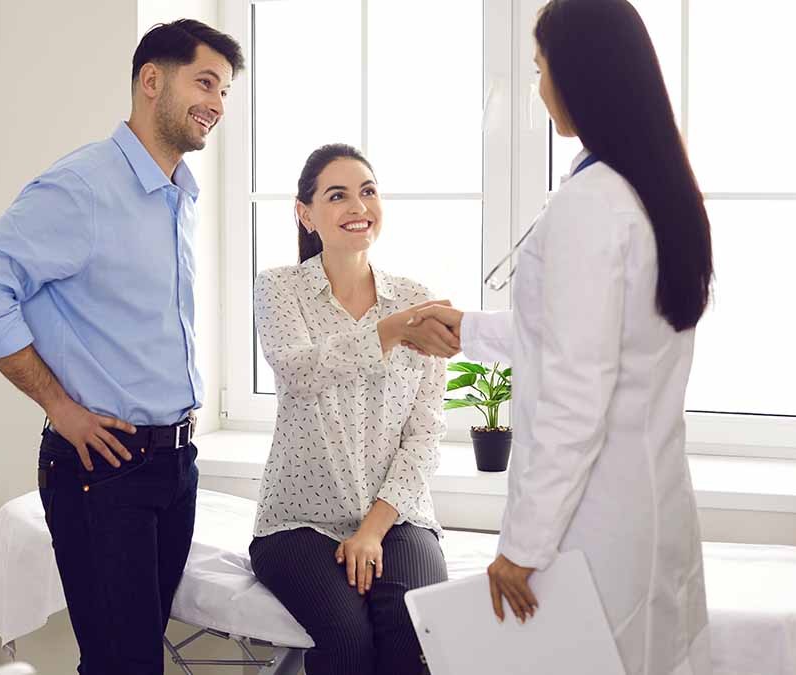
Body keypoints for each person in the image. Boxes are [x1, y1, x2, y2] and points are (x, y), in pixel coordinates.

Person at [409, 1, 714, 673]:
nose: (538, 87)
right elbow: (592, 341)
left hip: (591, 526)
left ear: (582, 75)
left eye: (541, 68)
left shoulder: (591, 202)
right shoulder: (658, 188)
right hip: (653, 508)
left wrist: (522, 544)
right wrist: (470, 331)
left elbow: (578, 391)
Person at [0, 20, 243, 675]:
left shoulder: (177, 196)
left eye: (225, 90)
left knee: (128, 662)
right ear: (151, 80)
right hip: (103, 466)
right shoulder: (84, 186)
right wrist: (59, 403)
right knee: (124, 664)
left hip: (174, 463)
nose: (218, 103)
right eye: (205, 81)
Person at [249, 143, 461, 675]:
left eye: (367, 191)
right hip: (298, 524)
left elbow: (425, 431)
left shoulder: (415, 298)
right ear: (305, 212)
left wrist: (371, 530)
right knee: (347, 642)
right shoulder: (279, 288)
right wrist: (390, 331)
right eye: (337, 195)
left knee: (415, 630)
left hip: (398, 518)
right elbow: (301, 371)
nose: (357, 206)